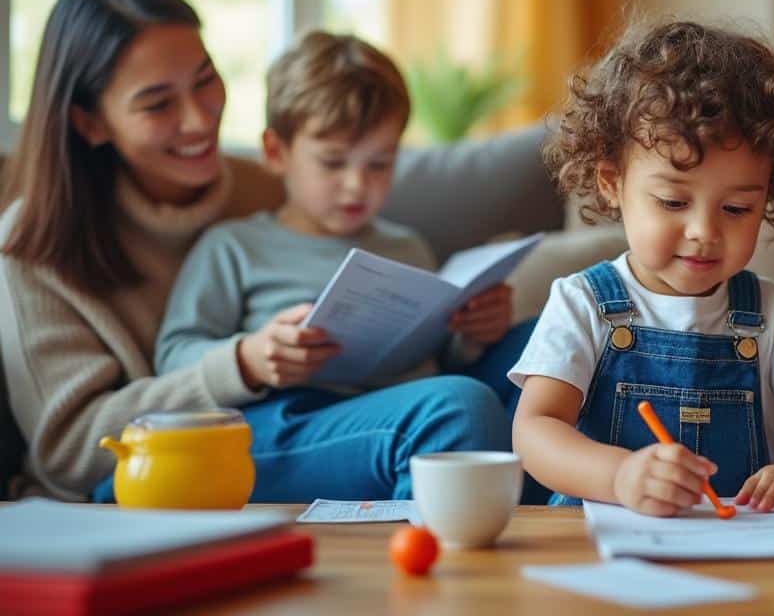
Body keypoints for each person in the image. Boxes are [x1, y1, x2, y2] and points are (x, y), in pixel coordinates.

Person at [0, 0, 500, 502]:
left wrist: (470, 328)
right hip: (179, 453)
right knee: (456, 408)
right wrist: (241, 364)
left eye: (204, 79)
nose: (199, 121)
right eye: (157, 104)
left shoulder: (270, 187)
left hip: (367, 410)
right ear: (90, 123)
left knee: (558, 343)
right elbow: (70, 450)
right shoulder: (36, 245)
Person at [152, 30, 527, 501]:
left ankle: (570, 508)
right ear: (276, 152)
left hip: (402, 406)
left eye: (379, 164)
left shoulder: (407, 246)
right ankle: (420, 554)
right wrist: (251, 355)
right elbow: (172, 358)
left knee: (549, 340)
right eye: (333, 162)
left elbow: (436, 358)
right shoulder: (236, 246)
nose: (356, 186)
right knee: (457, 406)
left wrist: (473, 335)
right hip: (291, 421)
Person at [510, 20, 774, 516]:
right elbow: (536, 429)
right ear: (612, 183)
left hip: (737, 540)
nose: (705, 232)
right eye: (673, 202)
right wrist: (621, 476)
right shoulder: (582, 301)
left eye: (736, 209)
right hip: (597, 537)